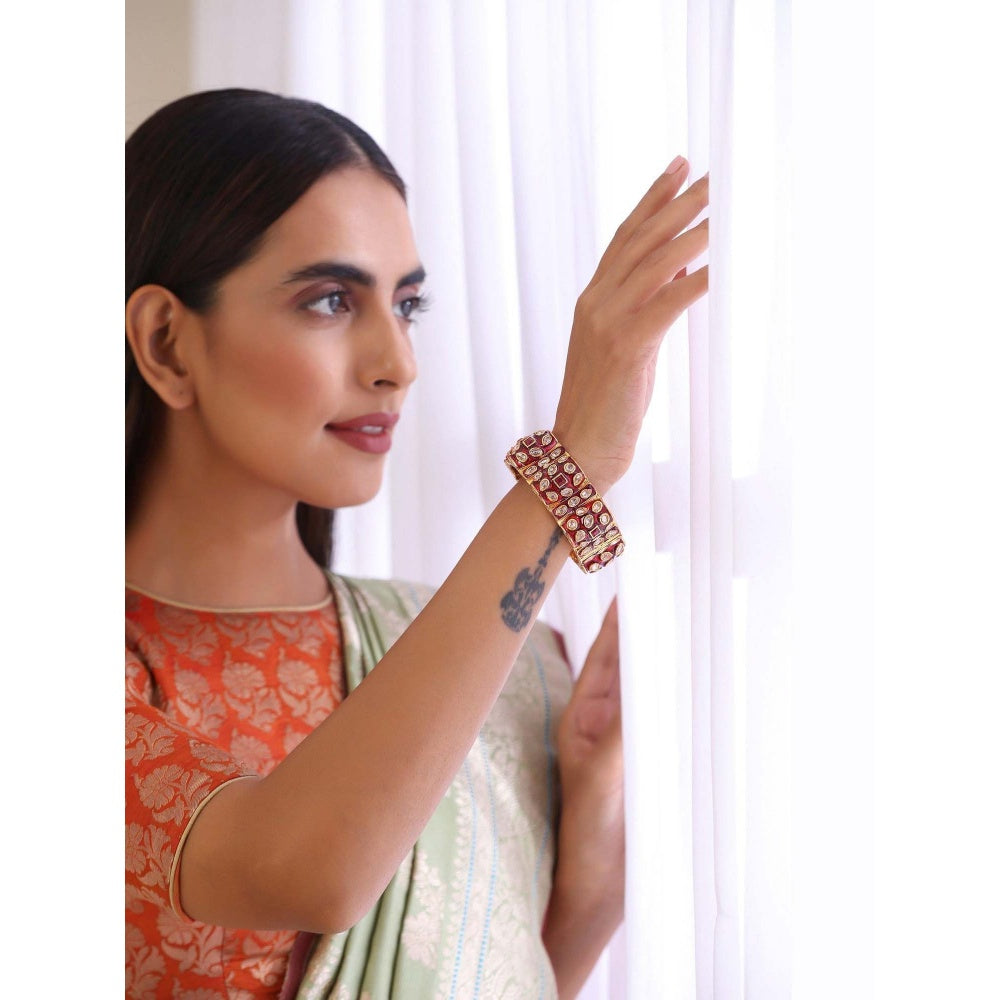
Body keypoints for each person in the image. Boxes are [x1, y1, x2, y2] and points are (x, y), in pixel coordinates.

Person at [125, 88, 709, 999]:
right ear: (166, 342)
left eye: (407, 304)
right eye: (329, 300)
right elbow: (308, 870)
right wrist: (569, 468)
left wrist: (591, 875)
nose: (397, 363)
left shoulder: (515, 675)